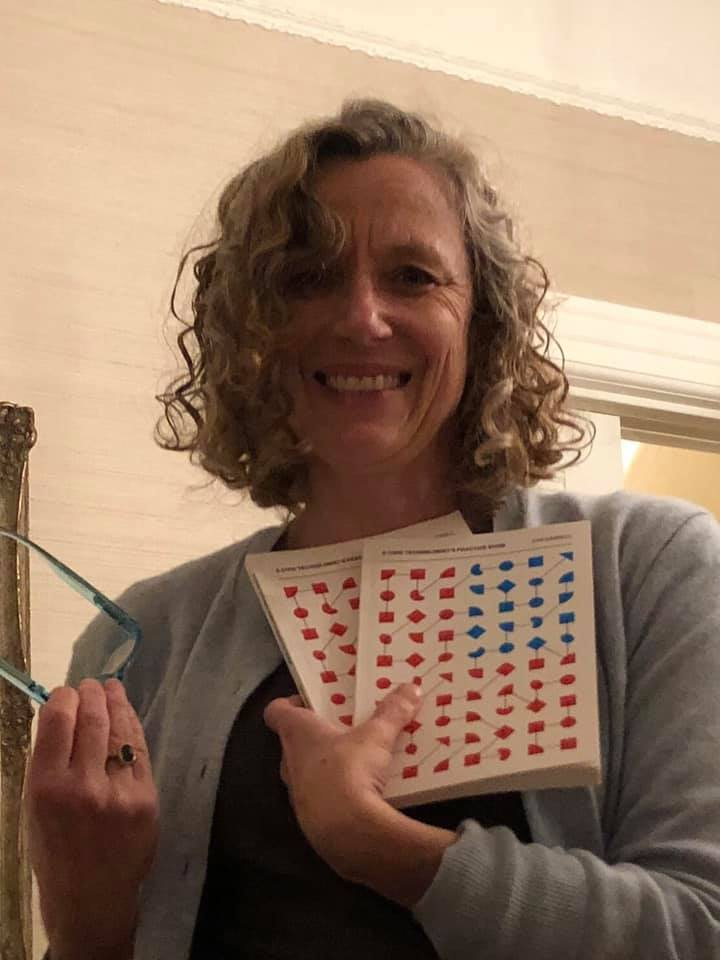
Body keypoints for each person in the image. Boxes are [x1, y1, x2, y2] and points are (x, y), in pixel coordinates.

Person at [27, 99, 720, 960]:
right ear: (252, 328)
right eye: (308, 278)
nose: (361, 317)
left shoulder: (643, 567)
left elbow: (702, 927)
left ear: (484, 320)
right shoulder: (144, 636)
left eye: (413, 276)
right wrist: (84, 916)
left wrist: (387, 849)